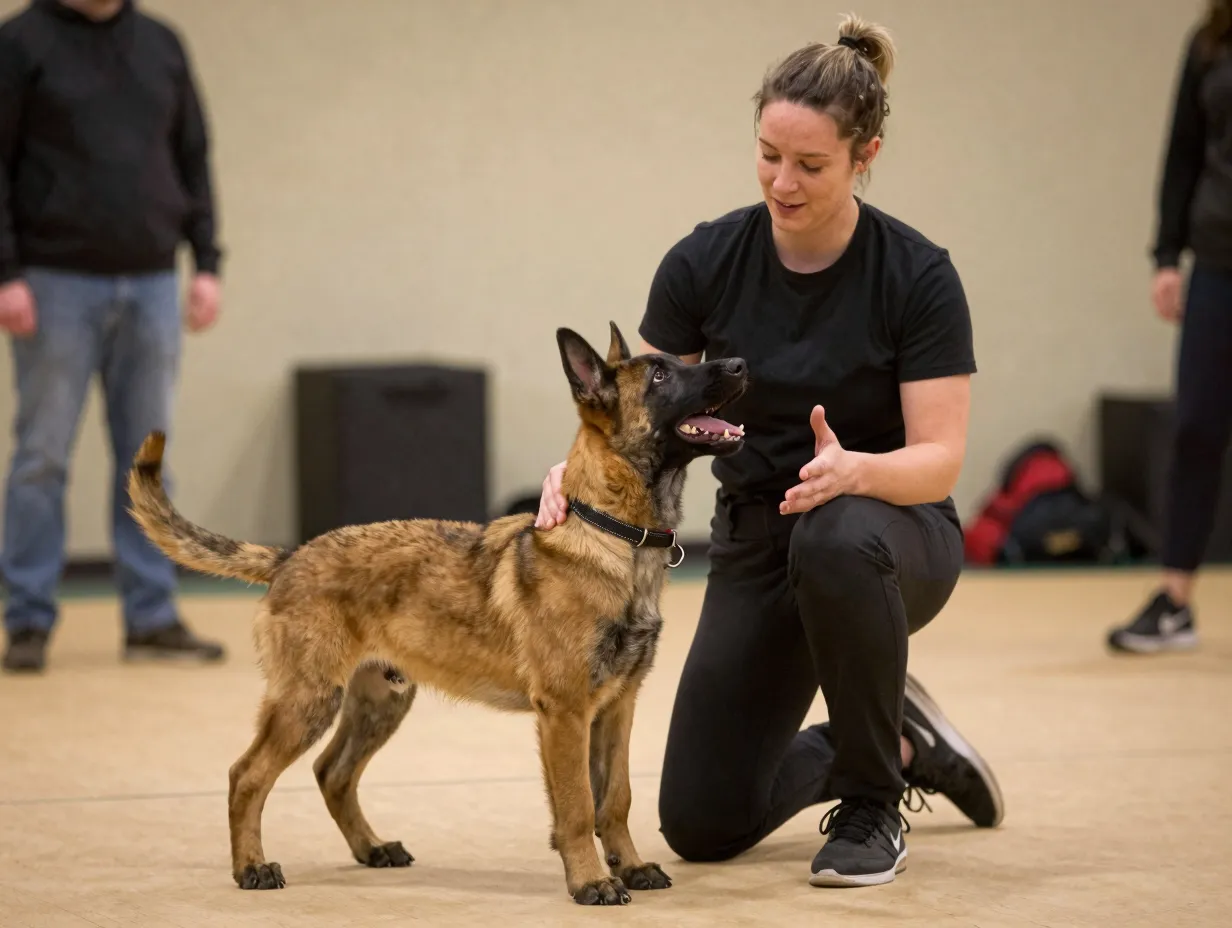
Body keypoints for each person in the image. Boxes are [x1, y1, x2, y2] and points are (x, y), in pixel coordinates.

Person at [534, 14, 1003, 889]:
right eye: (767, 155)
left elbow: (940, 459)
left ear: (865, 156)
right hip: (758, 543)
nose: (782, 181)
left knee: (837, 534)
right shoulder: (704, 261)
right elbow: (640, 413)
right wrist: (574, 476)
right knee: (702, 823)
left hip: (893, 535)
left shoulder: (917, 276)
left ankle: (871, 801)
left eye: (811, 165)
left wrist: (857, 471)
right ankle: (895, 737)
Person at [0, 0, 226, 673]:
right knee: (42, 455)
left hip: (153, 280)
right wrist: (6, 271)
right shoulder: (20, 43)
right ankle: (28, 619)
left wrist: (207, 262)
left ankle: (151, 616)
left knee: (147, 457)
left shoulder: (161, 44)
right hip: (52, 281)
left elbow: (193, 154)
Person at [1107, 0, 1232, 655]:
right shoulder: (1210, 39)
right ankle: (1176, 599)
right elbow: (1183, 152)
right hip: (1218, 261)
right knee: (1196, 428)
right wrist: (1165, 255)